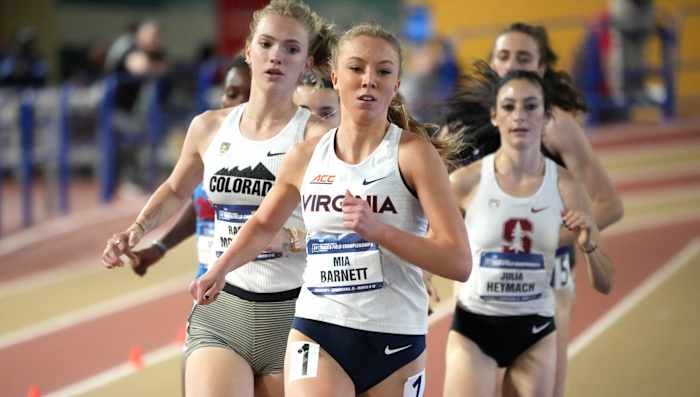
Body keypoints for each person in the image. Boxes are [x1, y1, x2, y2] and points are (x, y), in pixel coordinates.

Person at [190, 23, 470, 397]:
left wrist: (380, 231)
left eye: (383, 71)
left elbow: (458, 261)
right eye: (356, 68)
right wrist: (219, 269)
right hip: (319, 328)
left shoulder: (413, 155)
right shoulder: (306, 157)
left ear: (396, 84)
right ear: (336, 78)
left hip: (396, 337)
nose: (369, 80)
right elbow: (261, 224)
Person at [101, 1, 336, 396]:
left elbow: (341, 227)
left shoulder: (316, 138)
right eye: (266, 43)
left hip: (296, 313)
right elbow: (177, 189)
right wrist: (136, 230)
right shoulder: (209, 127)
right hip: (221, 307)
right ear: (248, 50)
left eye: (291, 48)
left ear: (307, 63)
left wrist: (291, 239)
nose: (276, 55)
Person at [442, 22, 624, 397]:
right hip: (484, 274)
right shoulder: (460, 126)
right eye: (503, 57)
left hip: (549, 275)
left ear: (541, 68)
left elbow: (609, 205)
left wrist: (546, 238)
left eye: (523, 58)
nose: (512, 65)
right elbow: (436, 202)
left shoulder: (557, 126)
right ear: (492, 64)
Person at [129, 55, 252, 278]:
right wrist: (160, 246)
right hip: (205, 284)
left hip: (251, 288)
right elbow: (200, 203)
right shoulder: (213, 144)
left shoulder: (280, 156)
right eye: (231, 94)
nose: (238, 104)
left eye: (250, 97)